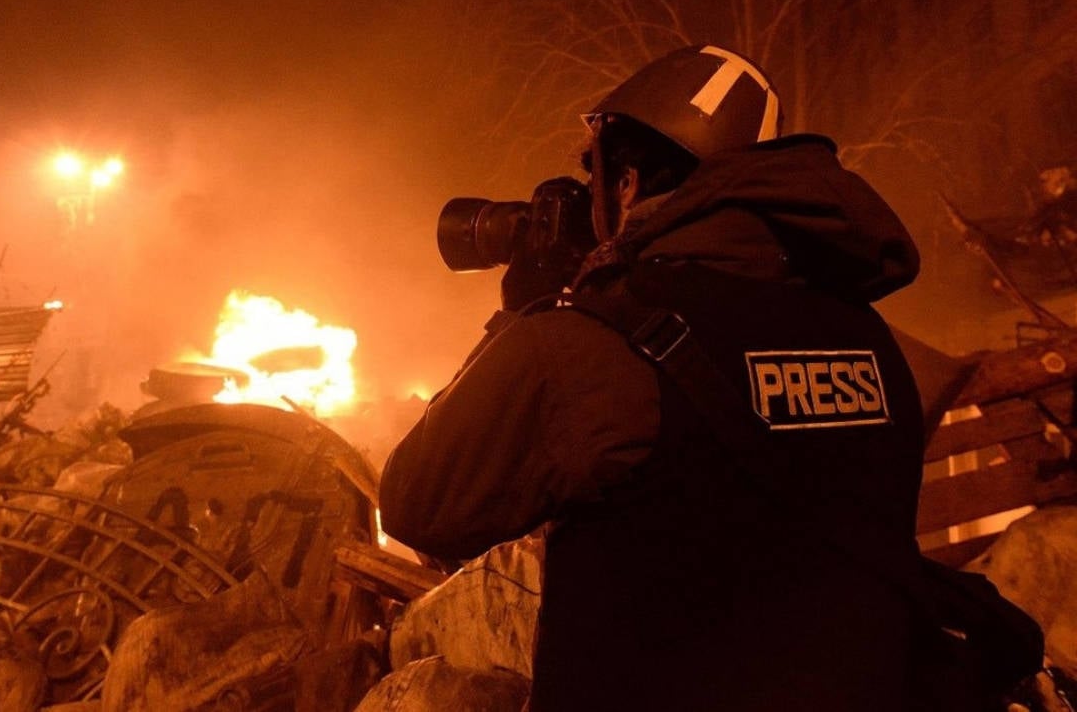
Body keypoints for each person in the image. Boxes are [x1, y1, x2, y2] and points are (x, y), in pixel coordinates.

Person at [379, 45, 925, 711]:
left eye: (598, 182)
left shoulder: (595, 341)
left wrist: (521, 315)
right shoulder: (870, 335)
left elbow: (421, 503)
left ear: (631, 183)